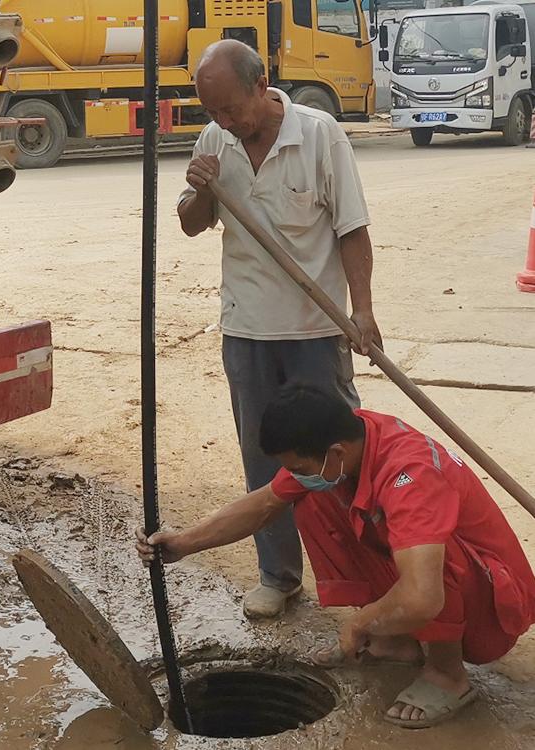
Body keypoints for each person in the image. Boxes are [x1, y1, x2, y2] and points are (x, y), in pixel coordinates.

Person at [135, 384, 535, 729]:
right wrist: (185, 542)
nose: (296, 473)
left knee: (429, 558)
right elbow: (265, 504)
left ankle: (447, 675)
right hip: (448, 586)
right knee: (314, 499)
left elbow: (422, 597)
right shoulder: (351, 440)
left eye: (297, 465)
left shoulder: (411, 477)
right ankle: (399, 642)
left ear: (335, 452)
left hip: (493, 608)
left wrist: (361, 623)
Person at [178, 39, 382, 618]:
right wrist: (200, 188)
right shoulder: (217, 140)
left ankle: (364, 578)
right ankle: (279, 575)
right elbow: (193, 224)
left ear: (261, 84)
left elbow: (352, 229)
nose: (224, 122)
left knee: (338, 458)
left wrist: (362, 311)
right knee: (264, 458)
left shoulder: (320, 135)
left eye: (231, 109)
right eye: (212, 112)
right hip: (246, 331)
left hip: (317, 329)